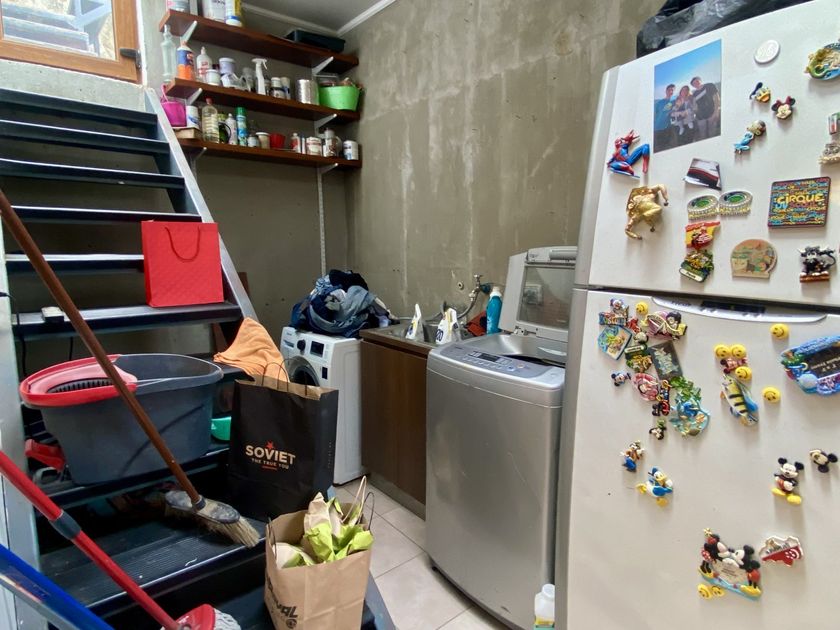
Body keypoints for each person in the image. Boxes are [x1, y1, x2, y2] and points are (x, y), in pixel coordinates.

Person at [691, 76, 720, 140]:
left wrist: (716, 112)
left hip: (712, 114)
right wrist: (694, 113)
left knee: (712, 132)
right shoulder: (694, 94)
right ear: (693, 86)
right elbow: (695, 106)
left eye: (697, 81)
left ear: (700, 80)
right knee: (702, 134)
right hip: (700, 117)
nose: (696, 83)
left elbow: (717, 99)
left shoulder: (710, 85)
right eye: (694, 83)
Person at [653, 84, 676, 150]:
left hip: (668, 127)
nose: (670, 91)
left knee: (667, 146)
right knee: (658, 148)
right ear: (666, 91)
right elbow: (655, 115)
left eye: (672, 90)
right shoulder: (659, 103)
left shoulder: (674, 101)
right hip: (657, 128)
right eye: (669, 90)